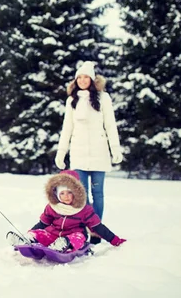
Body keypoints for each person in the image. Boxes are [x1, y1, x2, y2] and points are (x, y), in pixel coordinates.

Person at [54, 61, 122, 237]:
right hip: (79, 154)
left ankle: (96, 230)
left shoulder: (103, 98)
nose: (83, 80)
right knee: (82, 195)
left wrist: (115, 149)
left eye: (86, 77)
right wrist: (61, 152)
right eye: (79, 77)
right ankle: (85, 228)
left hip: (99, 153)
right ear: (76, 80)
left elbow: (110, 125)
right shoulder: (72, 101)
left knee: (98, 193)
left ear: (92, 80)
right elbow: (67, 128)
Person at [7, 170, 126, 251]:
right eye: (62, 193)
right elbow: (43, 224)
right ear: (57, 194)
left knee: (78, 238)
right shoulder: (53, 207)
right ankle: (26, 240)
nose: (66, 196)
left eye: (70, 192)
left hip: (74, 237)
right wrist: (31, 232)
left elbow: (98, 227)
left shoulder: (84, 209)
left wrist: (115, 240)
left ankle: (63, 244)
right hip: (53, 235)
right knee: (40, 233)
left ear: (77, 193)